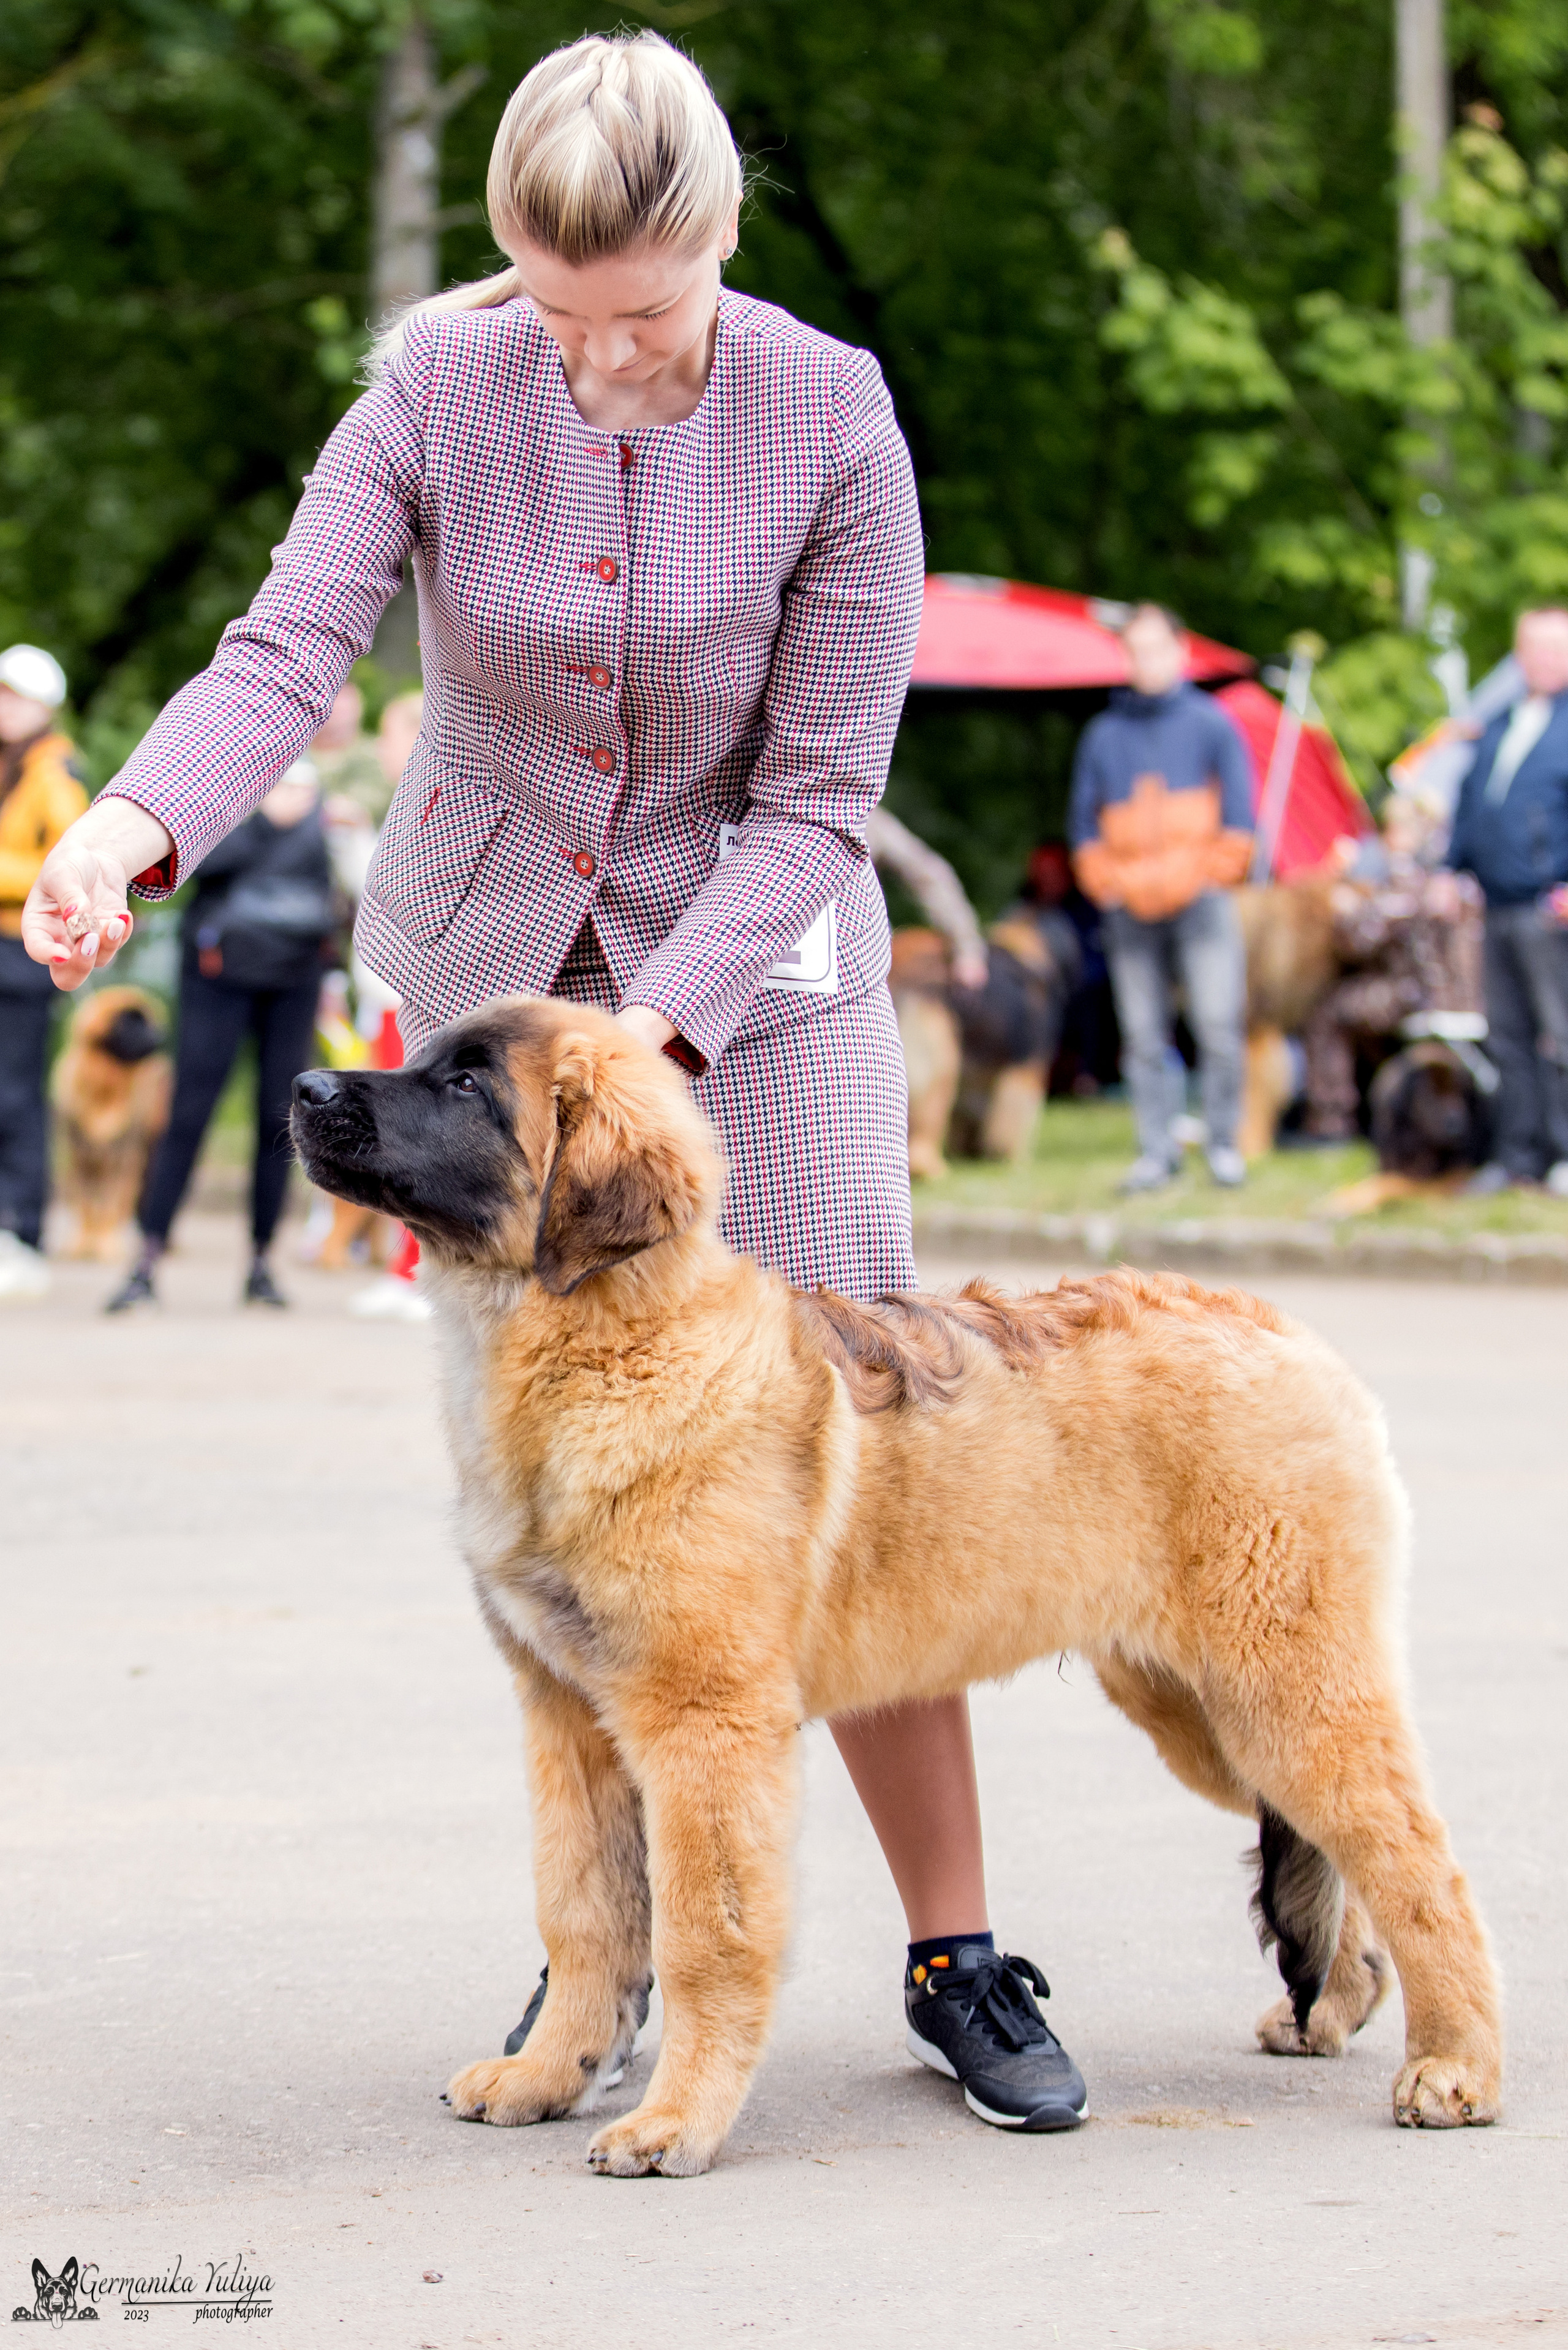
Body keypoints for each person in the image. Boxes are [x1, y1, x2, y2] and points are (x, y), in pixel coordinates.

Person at [23, 32, 1086, 2134]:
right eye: (555, 307)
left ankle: (957, 1942)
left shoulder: (830, 410)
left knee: (848, 1486)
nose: (597, 359)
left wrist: (654, 1042)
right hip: (484, 989)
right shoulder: (436, 375)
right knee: (569, 1518)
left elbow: (820, 793)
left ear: (722, 247)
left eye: (648, 318)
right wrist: (129, 828)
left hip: (755, 1010)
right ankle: (606, 1945)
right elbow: (286, 652)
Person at [105, 759, 337, 1312]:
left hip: (296, 978)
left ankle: (261, 1261)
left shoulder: (329, 813)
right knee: (188, 1113)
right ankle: (147, 1256)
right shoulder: (233, 795)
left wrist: (331, 824)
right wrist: (263, 820)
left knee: (280, 1118)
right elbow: (189, 868)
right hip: (218, 976)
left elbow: (355, 888)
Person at [1068, 604, 1255, 1191]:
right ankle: (1157, 1151)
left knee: (1218, 1023)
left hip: (1200, 903)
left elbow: (1240, 818)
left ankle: (1224, 1144)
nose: (1145, 662)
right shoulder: (1104, 734)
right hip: (1130, 910)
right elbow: (1084, 825)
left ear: (1180, 653)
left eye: (1156, 649)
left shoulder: (1211, 723)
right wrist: (1109, 885)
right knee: (1144, 1035)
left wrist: (1207, 876)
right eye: (1135, 650)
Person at [1445, 605, 1568, 1194]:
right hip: (1496, 905)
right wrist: (1451, 869)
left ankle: (1565, 1153)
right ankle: (1518, 1156)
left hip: (1552, 906)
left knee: (1562, 1035)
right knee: (1509, 1037)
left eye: (1556, 648)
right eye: (1534, 648)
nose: (1544, 659)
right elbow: (1471, 806)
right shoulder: (1498, 723)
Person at [0, 644, 88, 1299]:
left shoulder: (55, 776)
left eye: (15, 696)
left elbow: (69, 865)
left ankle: (25, 1231)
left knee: (18, 1095)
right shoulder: (12, 768)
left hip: (24, 952)